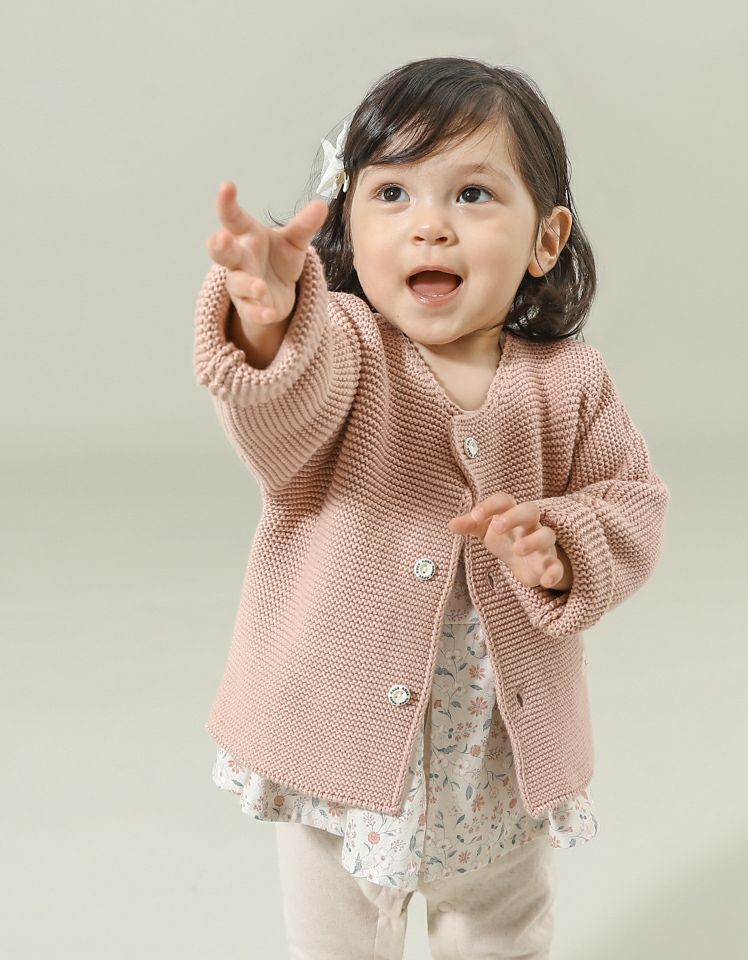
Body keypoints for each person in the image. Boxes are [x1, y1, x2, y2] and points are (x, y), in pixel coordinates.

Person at [193, 56, 670, 960]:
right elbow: (280, 408)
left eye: (473, 195)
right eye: (393, 194)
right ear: (347, 225)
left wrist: (562, 544)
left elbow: (633, 503)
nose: (430, 225)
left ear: (546, 239)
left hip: (494, 770)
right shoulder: (345, 349)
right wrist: (268, 318)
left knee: (503, 940)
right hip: (336, 760)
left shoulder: (570, 383)